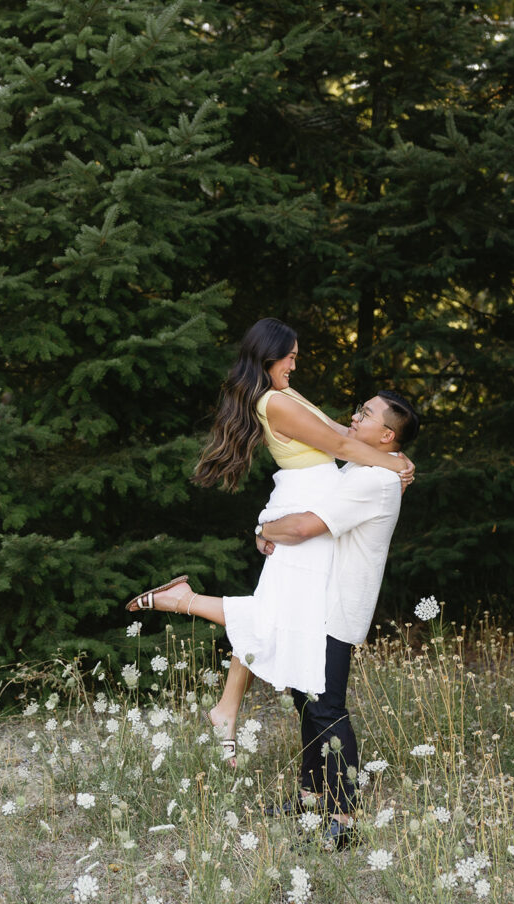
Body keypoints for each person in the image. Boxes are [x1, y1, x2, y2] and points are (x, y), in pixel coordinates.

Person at [126, 319, 415, 761]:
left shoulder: (284, 396)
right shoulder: (275, 401)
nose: (295, 365)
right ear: (270, 357)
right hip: (305, 508)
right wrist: (395, 464)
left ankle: (230, 707)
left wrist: (394, 454)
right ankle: (184, 604)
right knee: (275, 616)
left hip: (311, 504)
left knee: (280, 615)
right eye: (292, 357)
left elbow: (342, 432)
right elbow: (342, 444)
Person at [256, 389, 419, 849]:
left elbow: (307, 525)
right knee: (306, 701)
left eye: (364, 414)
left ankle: (343, 822)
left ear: (386, 434)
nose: (353, 416)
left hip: (336, 608)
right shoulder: (367, 467)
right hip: (315, 600)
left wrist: (262, 530)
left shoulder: (375, 480)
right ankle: (310, 798)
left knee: (327, 708)